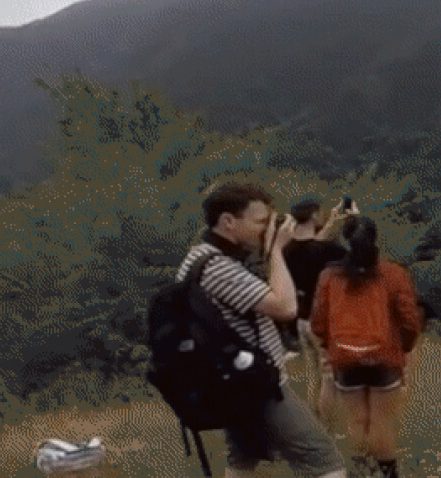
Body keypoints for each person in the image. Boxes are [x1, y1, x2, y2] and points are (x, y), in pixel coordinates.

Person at [174, 182, 346, 478]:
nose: (267, 228)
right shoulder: (218, 267)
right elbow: (285, 307)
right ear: (229, 221)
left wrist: (271, 248)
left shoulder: (199, 257)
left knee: (243, 458)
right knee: (323, 459)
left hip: (229, 382)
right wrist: (278, 250)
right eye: (261, 222)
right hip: (257, 386)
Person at [309, 215, 423, 478]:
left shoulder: (329, 276)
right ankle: (387, 472)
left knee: (357, 418)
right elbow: (409, 319)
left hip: (345, 356)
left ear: (345, 242)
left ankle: (363, 468)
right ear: (374, 239)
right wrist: (404, 348)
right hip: (384, 357)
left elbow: (318, 318)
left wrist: (329, 346)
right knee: (381, 421)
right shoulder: (395, 274)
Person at [285, 198, 353, 427]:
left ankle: (312, 421)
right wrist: (350, 223)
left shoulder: (286, 250)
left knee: (313, 374)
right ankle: (325, 428)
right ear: (315, 216)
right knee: (329, 376)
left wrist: (333, 221)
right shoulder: (328, 250)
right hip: (323, 320)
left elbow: (311, 246)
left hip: (301, 320)